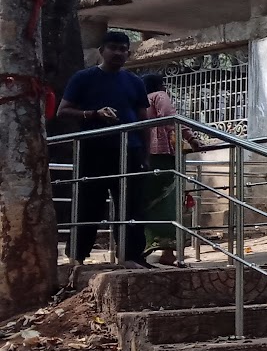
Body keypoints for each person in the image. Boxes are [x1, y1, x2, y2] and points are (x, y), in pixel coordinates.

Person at [58, 31, 151, 272]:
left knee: (131, 205)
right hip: (94, 150)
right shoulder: (83, 78)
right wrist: (93, 114)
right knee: (89, 204)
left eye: (123, 49)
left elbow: (144, 120)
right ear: (101, 50)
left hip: (129, 151)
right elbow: (63, 111)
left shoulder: (135, 82)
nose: (118, 53)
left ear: (128, 53)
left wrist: (145, 154)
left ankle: (131, 256)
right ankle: (77, 257)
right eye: (113, 48)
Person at [140, 74, 201, 266]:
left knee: (147, 200)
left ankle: (144, 246)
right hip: (162, 153)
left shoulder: (140, 100)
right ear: (162, 85)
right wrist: (190, 138)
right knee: (168, 198)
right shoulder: (159, 96)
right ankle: (168, 250)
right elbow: (170, 117)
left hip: (142, 152)